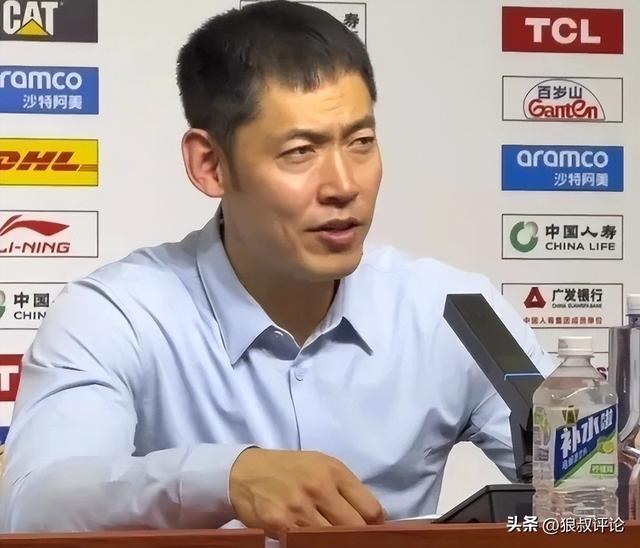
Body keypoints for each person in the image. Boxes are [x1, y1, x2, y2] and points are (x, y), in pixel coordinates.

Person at [0, 0, 553, 537]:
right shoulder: (117, 315)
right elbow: (32, 505)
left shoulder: (455, 310)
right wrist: (226, 477)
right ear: (210, 164)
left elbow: (585, 485)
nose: (344, 185)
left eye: (361, 142)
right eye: (300, 152)